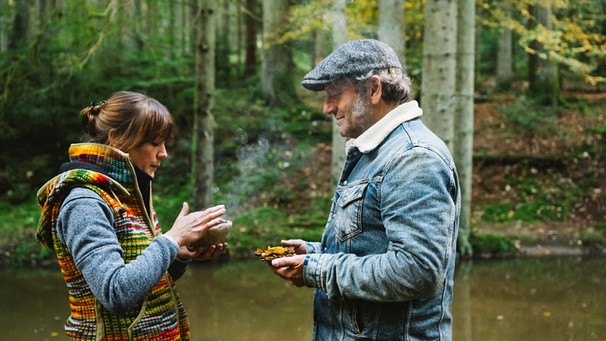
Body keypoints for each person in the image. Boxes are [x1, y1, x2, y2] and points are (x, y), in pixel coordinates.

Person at [269, 39, 461, 340]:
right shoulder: (375, 151)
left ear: (374, 90)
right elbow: (370, 247)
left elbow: (417, 270)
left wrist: (317, 269)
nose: (326, 107)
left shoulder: (413, 157)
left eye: (334, 94)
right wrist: (314, 253)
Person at [36, 90, 227, 340]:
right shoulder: (84, 202)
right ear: (117, 139)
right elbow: (115, 292)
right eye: (154, 143)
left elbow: (146, 284)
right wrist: (171, 240)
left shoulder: (129, 193)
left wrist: (178, 256)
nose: (164, 153)